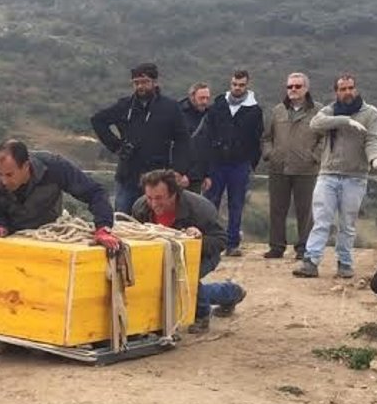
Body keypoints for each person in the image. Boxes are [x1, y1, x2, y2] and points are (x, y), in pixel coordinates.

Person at [0, 139, 120, 299]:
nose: (3, 180)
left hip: (44, 226)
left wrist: (102, 227)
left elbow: (95, 192)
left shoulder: (55, 167)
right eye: (0, 174)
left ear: (26, 166)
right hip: (6, 225)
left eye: (9, 174)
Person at [131, 170, 246, 334]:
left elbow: (221, 240)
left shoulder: (200, 208)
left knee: (184, 278)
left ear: (173, 194)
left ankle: (201, 315)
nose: (153, 204)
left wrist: (194, 241)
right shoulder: (140, 207)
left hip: (202, 255)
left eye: (159, 198)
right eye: (149, 198)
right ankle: (230, 292)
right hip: (162, 256)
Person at [294, 73, 377, 279]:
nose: (347, 92)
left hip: (355, 175)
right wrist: (345, 121)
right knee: (321, 220)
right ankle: (311, 261)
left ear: (356, 89)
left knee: (347, 223)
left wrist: (375, 157)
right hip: (328, 174)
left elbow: (373, 140)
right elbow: (315, 123)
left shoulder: (371, 113)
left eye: (351, 88)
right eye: (343, 89)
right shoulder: (330, 111)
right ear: (337, 92)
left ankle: (344, 262)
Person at [91, 62, 193, 213]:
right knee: (122, 220)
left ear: (155, 82)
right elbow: (98, 120)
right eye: (136, 83)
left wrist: (179, 169)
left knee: (156, 222)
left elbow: (182, 139)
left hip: (158, 177)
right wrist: (117, 146)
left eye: (144, 82)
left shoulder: (170, 107)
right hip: (128, 175)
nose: (140, 86)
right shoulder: (125, 105)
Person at [192, 70, 264, 257]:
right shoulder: (219, 104)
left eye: (241, 85)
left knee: (236, 204)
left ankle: (233, 243)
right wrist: (207, 165)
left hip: (239, 165)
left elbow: (257, 139)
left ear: (247, 85)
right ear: (230, 83)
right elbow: (207, 134)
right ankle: (209, 242)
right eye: (234, 84)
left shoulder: (255, 110)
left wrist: (251, 164)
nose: (237, 88)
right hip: (216, 163)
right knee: (209, 203)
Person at [261, 72, 325, 260]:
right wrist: (270, 154)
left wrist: (314, 156)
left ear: (306, 88)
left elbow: (325, 139)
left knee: (306, 211)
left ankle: (304, 247)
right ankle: (276, 246)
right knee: (277, 209)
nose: (293, 90)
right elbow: (267, 137)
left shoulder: (318, 111)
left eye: (297, 86)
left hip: (306, 170)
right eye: (290, 86)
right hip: (278, 168)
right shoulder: (277, 111)